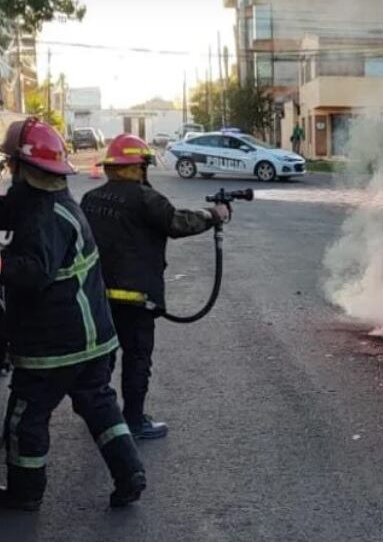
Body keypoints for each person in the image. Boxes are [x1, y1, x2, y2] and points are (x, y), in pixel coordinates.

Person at [0, 118, 145, 511]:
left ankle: (24, 493)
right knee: (100, 406)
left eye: (10, 164)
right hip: (94, 341)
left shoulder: (41, 217)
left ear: (21, 166)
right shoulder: (50, 202)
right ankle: (129, 471)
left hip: (54, 345)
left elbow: (32, 271)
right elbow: (8, 210)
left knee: (25, 419)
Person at [81, 134, 228, 440]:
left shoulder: (91, 199)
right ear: (139, 166)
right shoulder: (146, 199)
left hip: (97, 297)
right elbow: (177, 223)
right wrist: (215, 215)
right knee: (136, 358)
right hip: (136, 299)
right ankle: (134, 421)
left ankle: (101, 417)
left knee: (102, 357)